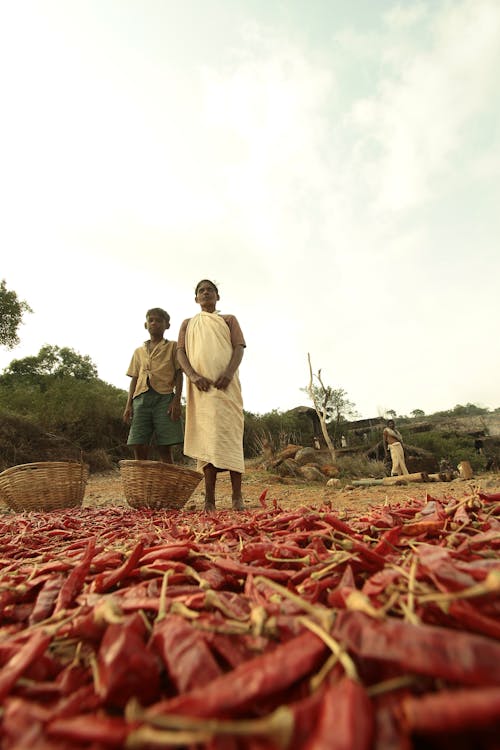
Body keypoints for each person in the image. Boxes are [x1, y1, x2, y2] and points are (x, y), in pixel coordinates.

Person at [176, 280, 245, 512]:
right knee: (207, 441)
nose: (206, 293)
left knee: (231, 437)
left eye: (210, 290)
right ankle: (209, 500)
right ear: (196, 299)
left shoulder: (228, 320)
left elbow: (239, 348)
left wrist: (228, 373)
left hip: (227, 387)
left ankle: (237, 497)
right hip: (201, 389)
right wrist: (193, 375)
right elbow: (180, 353)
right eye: (201, 291)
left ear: (217, 296)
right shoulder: (188, 324)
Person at [123, 308, 183, 462]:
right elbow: (134, 378)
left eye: (159, 320)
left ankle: (168, 479)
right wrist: (128, 405)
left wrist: (176, 401)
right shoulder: (139, 351)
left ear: (167, 325)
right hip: (141, 399)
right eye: (151, 320)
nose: (154, 323)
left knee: (165, 444)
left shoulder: (173, 347)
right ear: (146, 324)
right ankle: (142, 479)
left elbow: (178, 374)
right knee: (138, 442)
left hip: (164, 398)